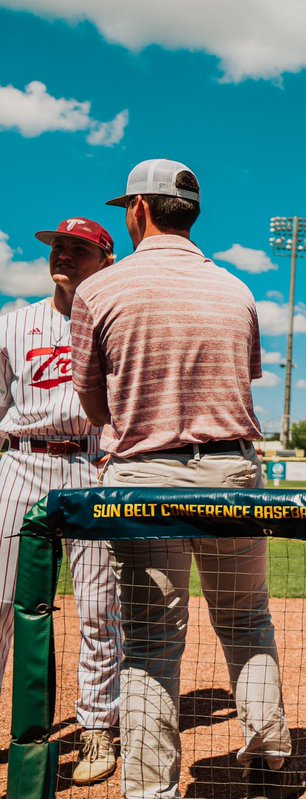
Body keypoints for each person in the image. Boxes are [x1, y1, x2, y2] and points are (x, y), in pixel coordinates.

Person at [70, 159, 301, 799]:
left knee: (148, 644)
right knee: (246, 621)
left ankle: (150, 788)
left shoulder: (101, 289)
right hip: (230, 471)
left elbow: (91, 402)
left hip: (143, 476)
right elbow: (242, 380)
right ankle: (271, 754)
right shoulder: (236, 289)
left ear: (139, 210)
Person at [0, 218, 122, 786]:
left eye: (79, 249)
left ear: (106, 259)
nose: (64, 256)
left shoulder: (118, 324)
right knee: (1, 601)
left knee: (99, 608)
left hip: (92, 464)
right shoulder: (15, 323)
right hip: (22, 462)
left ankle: (97, 727)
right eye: (58, 247)